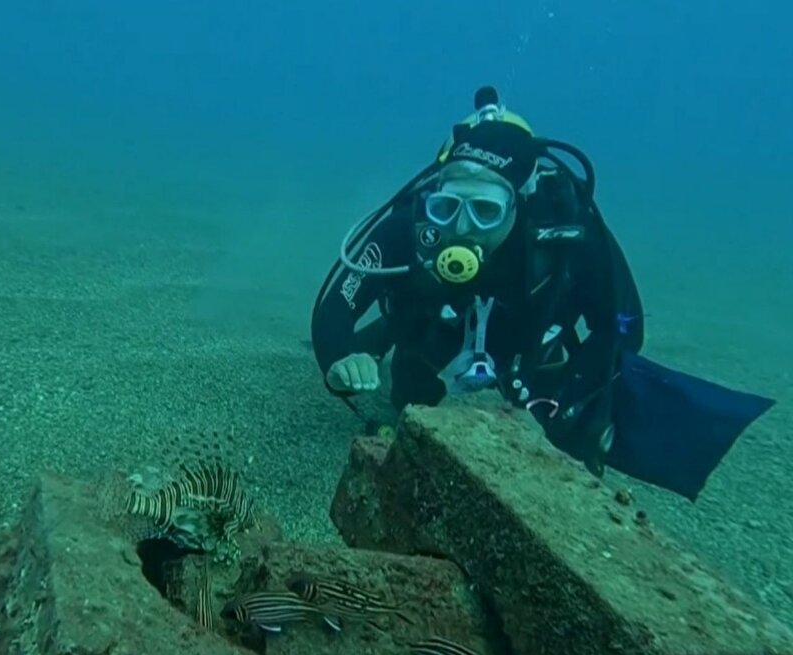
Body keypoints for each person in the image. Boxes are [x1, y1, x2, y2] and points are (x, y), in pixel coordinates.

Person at [309, 86, 774, 501]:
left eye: (486, 210)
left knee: (568, 430)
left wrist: (569, 397)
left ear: (520, 199)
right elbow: (335, 307)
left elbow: (625, 325)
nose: (462, 228)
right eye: (447, 206)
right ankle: (397, 336)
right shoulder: (408, 226)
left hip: (528, 340)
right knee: (408, 395)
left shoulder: (566, 229)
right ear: (432, 195)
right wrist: (338, 358)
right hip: (432, 322)